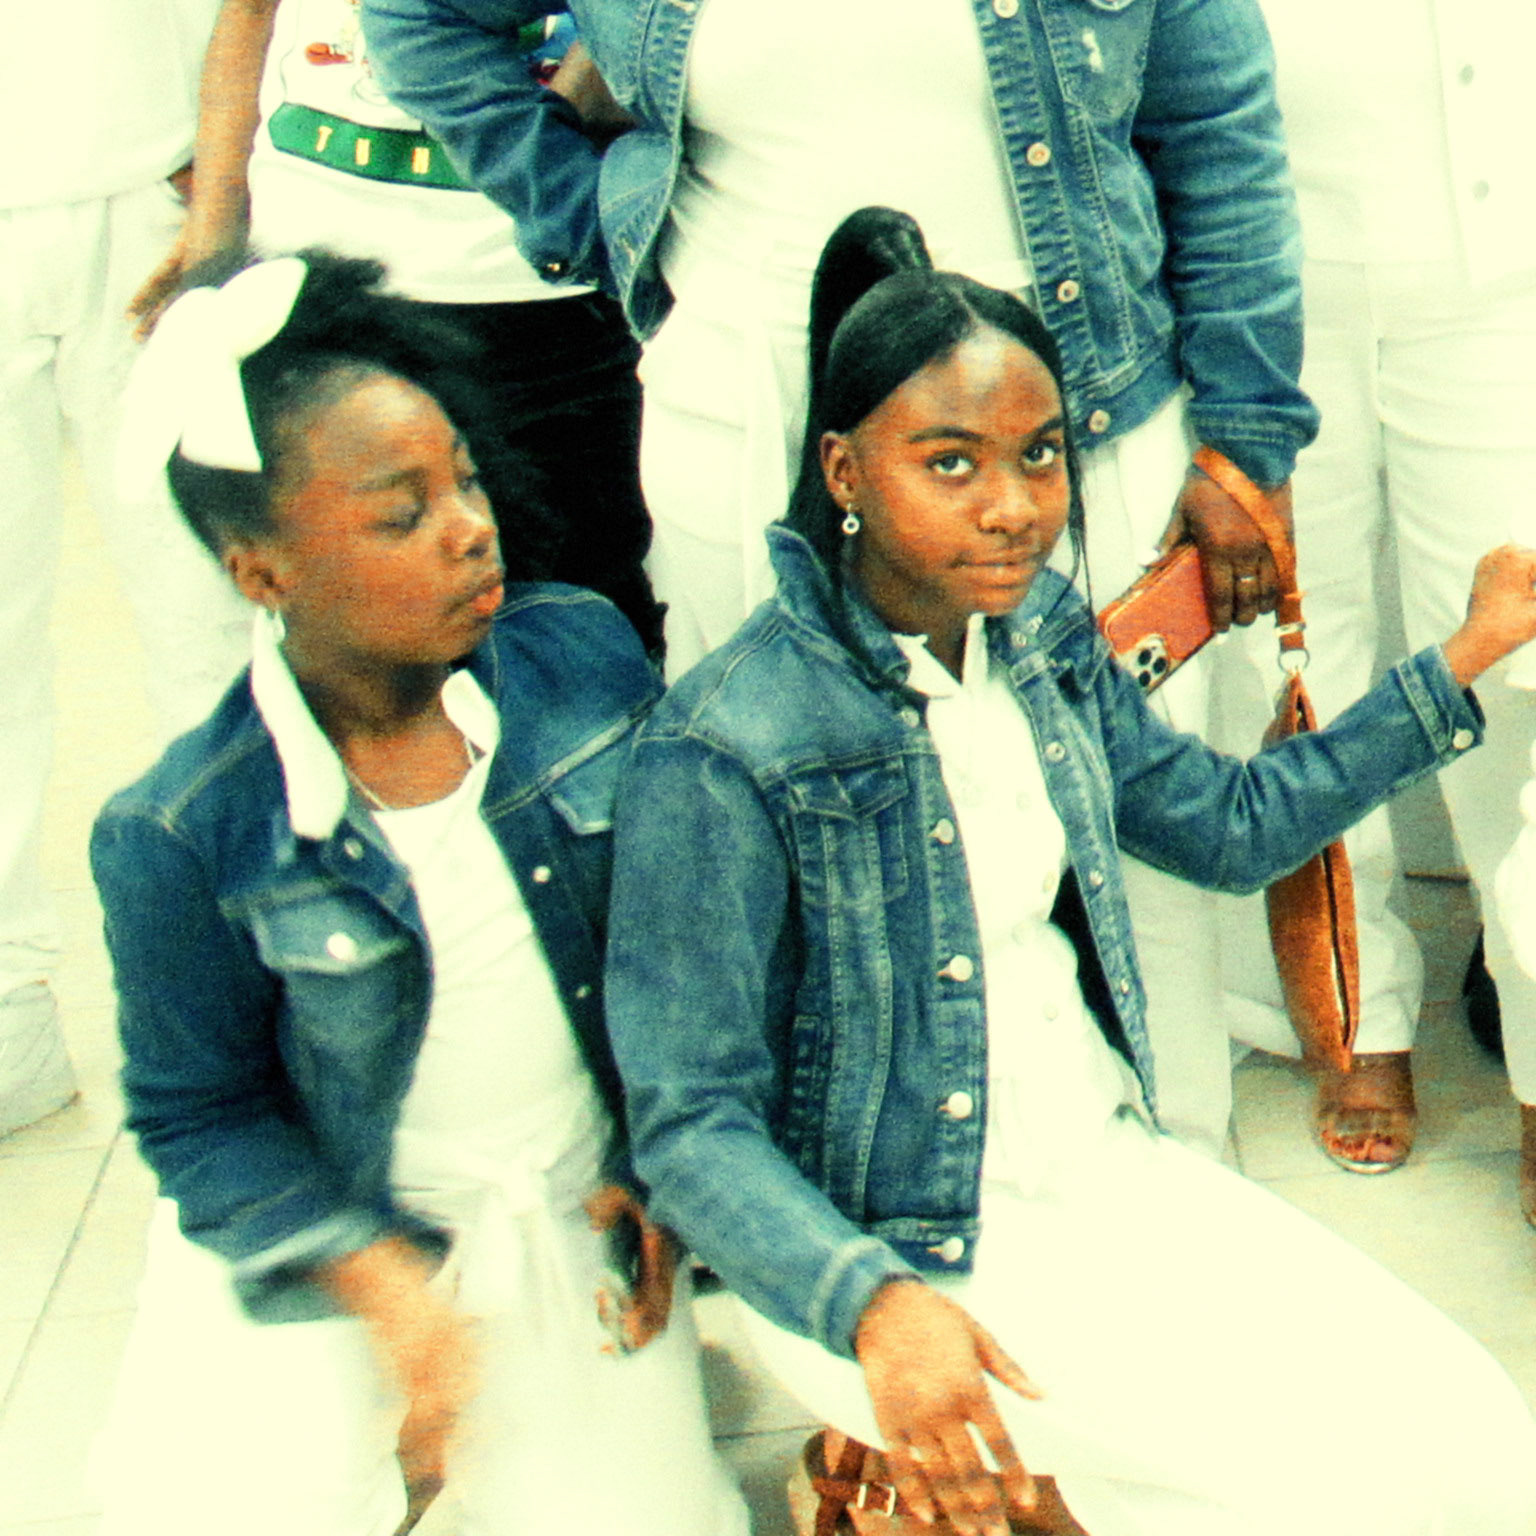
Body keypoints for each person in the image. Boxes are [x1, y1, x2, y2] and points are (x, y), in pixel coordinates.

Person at [602, 210, 1536, 1536]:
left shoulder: (1035, 635)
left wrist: (1464, 655)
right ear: (845, 468)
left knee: (1481, 1458)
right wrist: (873, 1303)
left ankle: (942, 1503)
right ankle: (899, 1482)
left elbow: (1222, 826)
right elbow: (692, 1125)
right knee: (1314, 1506)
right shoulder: (726, 742)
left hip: (1103, 1170)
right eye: (951, 462)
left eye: (1039, 454)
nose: (1014, 505)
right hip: (902, 1261)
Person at [363, 0, 1322, 1166]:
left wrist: (1246, 440)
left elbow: (1219, 128)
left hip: (1073, 408)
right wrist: (589, 217)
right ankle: (835, 1209)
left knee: (1124, 825)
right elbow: (419, 16)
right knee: (783, 827)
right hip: (752, 402)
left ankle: (1177, 1157)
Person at [88, 253, 747, 1536]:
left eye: (468, 479)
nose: (468, 526)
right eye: (402, 515)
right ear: (262, 572)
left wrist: (660, 1158)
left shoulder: (579, 659)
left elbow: (687, 950)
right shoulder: (181, 828)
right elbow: (197, 1114)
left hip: (565, 1210)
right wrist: (384, 1287)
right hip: (344, 1234)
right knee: (236, 1505)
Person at [1213, 0, 1536, 1183]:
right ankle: (1358, 1014)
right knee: (1299, 647)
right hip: (1269, 267)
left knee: (1521, 647)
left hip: (1510, 269)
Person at [130, 0, 663, 653]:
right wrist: (211, 253)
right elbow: (248, 13)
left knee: (574, 623)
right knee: (345, 625)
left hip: (532, 287)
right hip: (309, 283)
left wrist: (536, 126)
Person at [0, 0, 250, 1138]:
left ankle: (250, 981)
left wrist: (221, 195)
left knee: (207, 616)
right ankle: (10, 1010)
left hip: (149, 190)